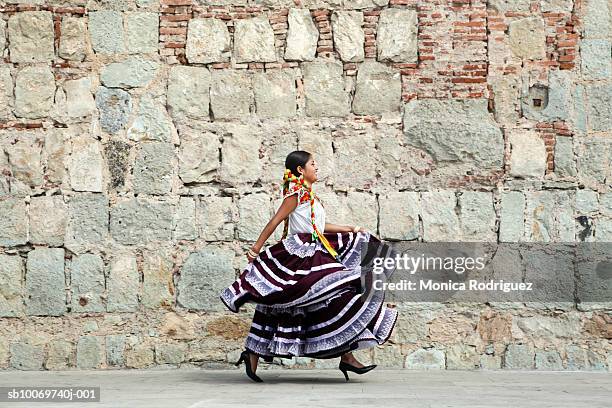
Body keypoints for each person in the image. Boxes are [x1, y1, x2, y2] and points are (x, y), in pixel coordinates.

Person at [219, 150, 398, 382]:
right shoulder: (295, 194)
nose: (317, 167)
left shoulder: (310, 196)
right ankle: (253, 352)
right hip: (298, 254)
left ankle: (346, 356)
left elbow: (319, 227)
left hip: (314, 250)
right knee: (296, 299)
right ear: (300, 170)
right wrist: (255, 249)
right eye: (313, 164)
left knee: (314, 300)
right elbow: (275, 220)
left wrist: (351, 229)